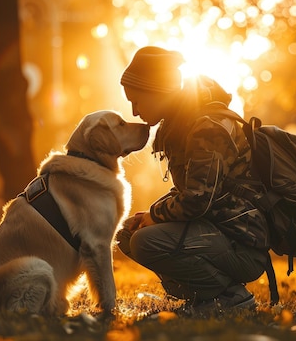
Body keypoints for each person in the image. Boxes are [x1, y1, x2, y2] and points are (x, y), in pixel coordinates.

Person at [116, 46, 271, 314]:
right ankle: (202, 297)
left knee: (144, 241)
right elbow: (187, 189)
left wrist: (156, 215)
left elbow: (197, 201)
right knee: (129, 233)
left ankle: (231, 296)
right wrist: (150, 215)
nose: (134, 111)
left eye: (137, 100)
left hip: (242, 242)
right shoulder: (181, 124)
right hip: (216, 233)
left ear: (157, 90)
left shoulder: (207, 127)